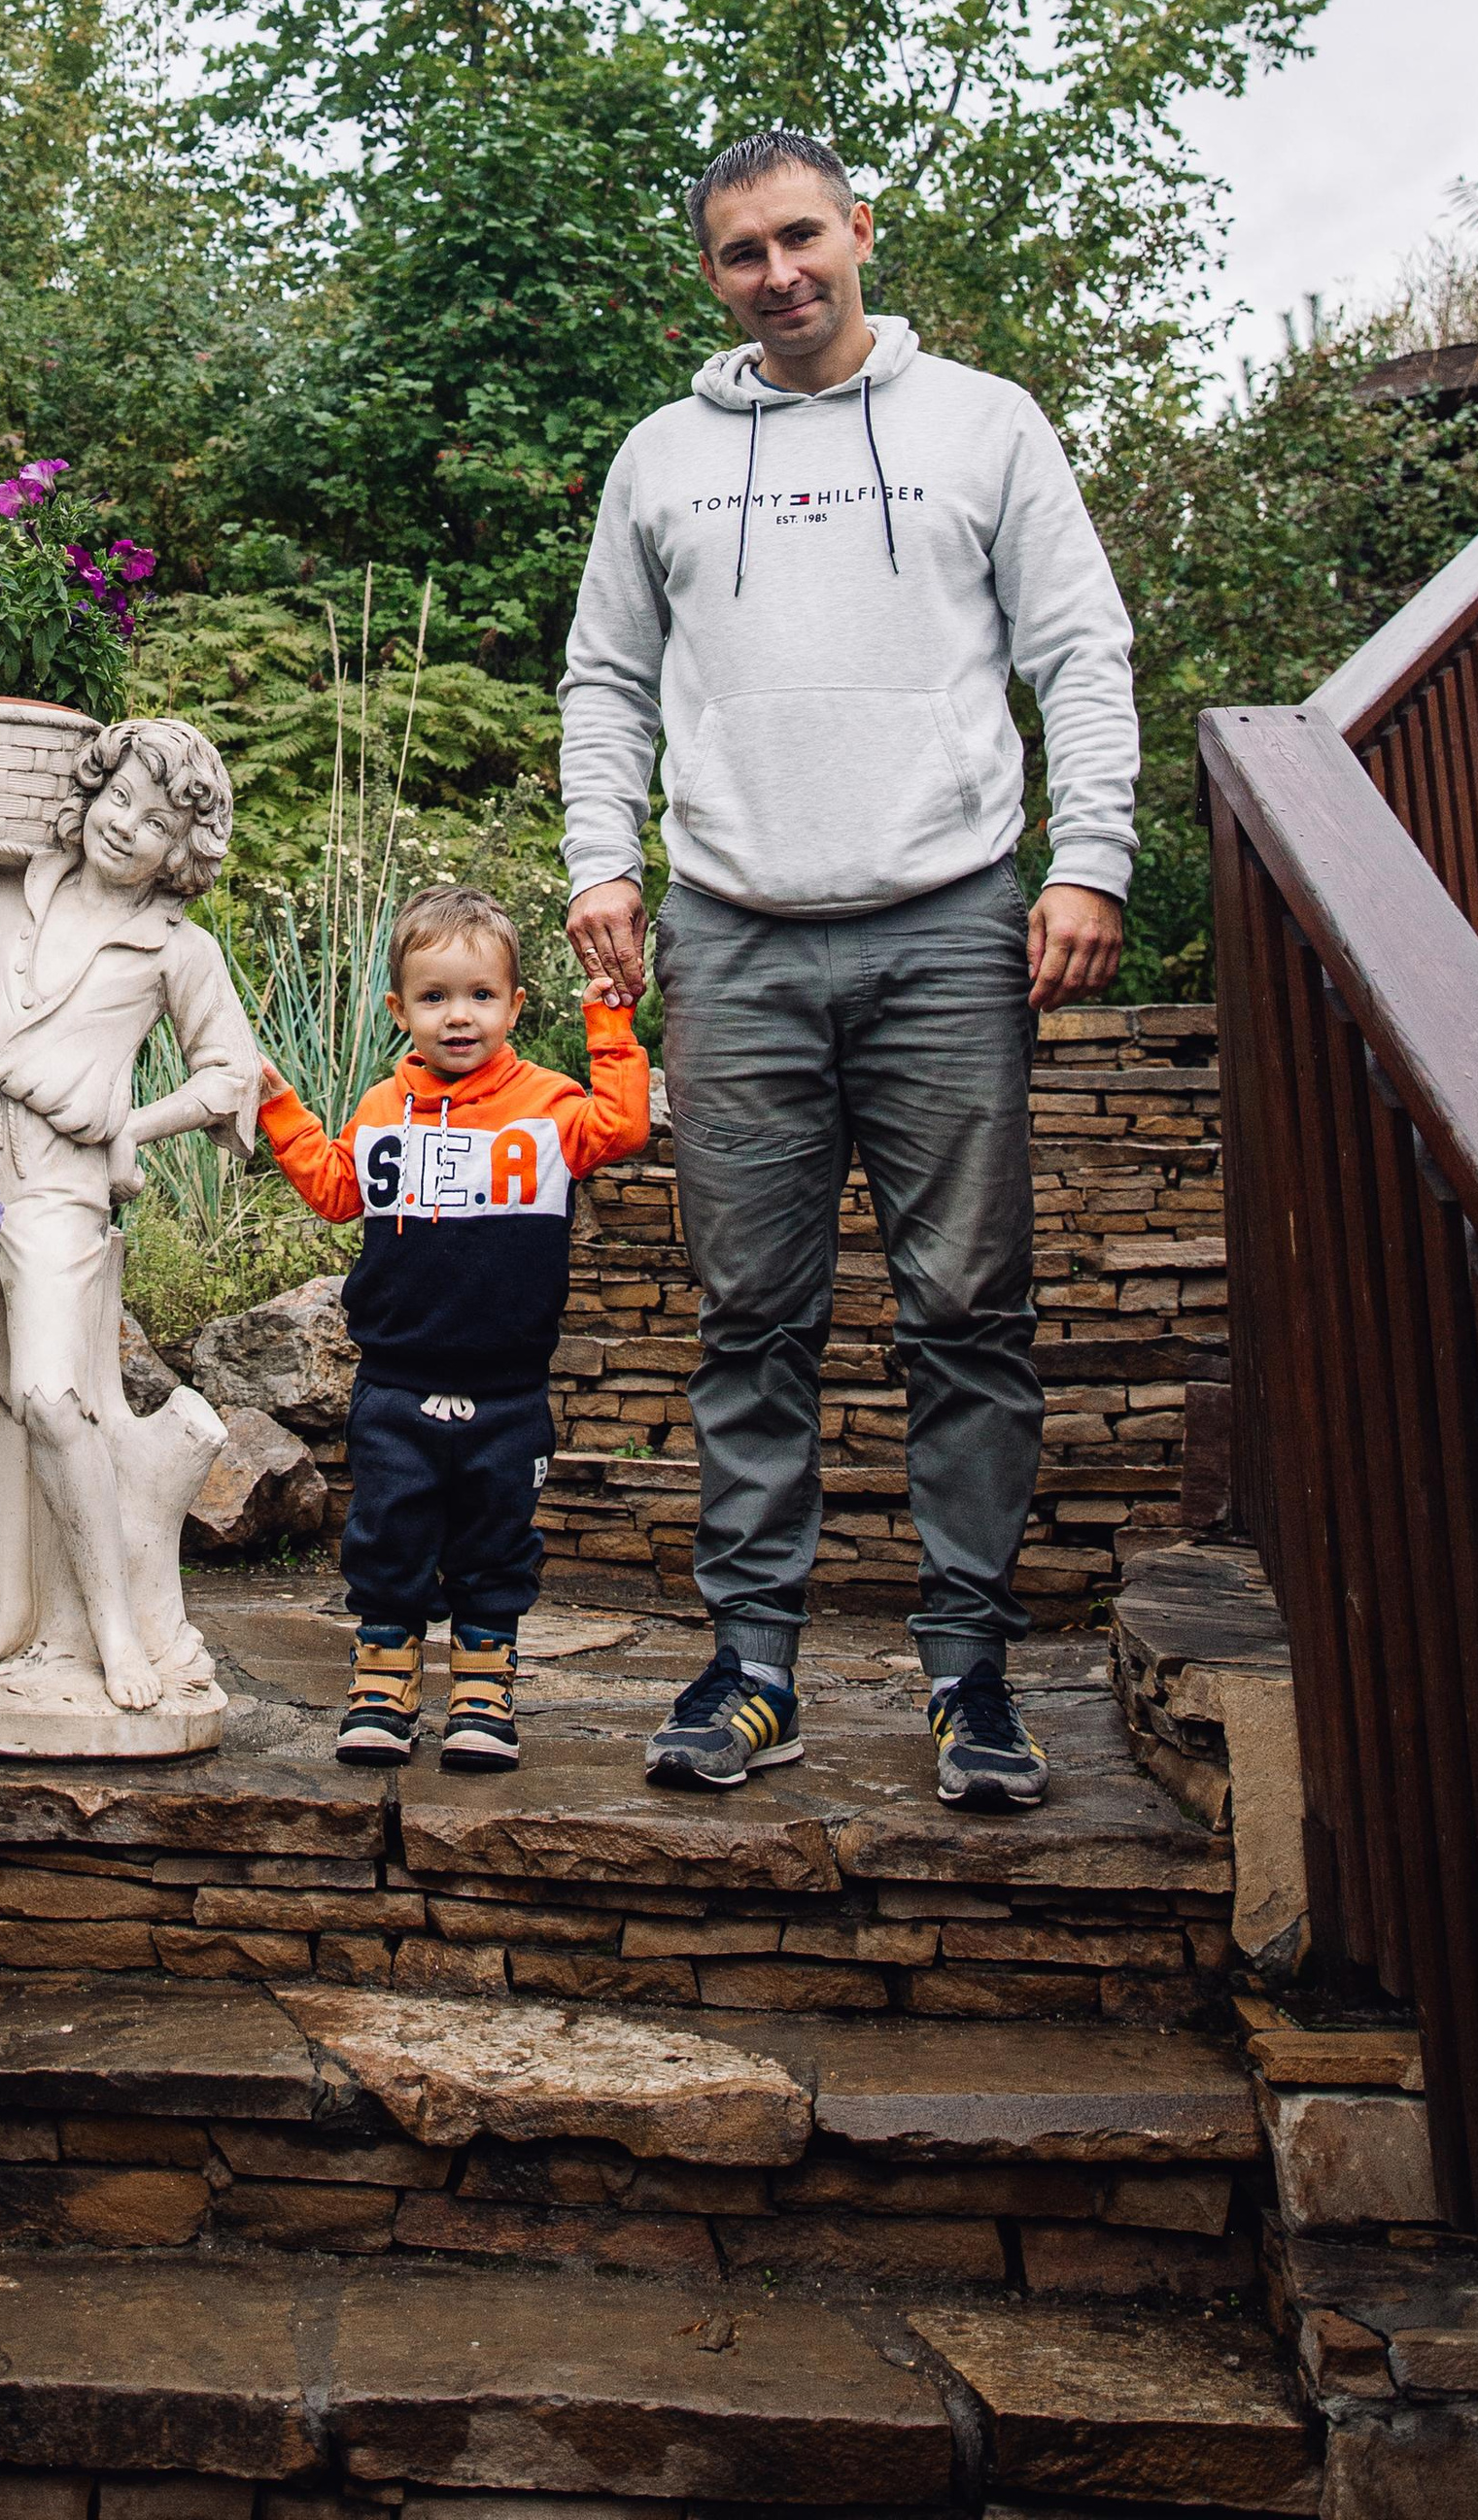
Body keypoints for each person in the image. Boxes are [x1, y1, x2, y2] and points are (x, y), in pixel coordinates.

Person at [561, 128, 1138, 1810]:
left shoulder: (987, 424)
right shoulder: (660, 455)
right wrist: (606, 857)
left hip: (951, 923)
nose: (779, 273)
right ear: (712, 274)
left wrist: (1089, 856)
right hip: (733, 934)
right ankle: (752, 1667)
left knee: (968, 1313)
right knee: (752, 1316)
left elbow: (1077, 647)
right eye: (743, 253)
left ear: (861, 231)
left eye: (802, 236)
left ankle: (970, 1670)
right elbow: (605, 677)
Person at [0, 707, 260, 1719]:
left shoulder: (176, 948)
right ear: (90, 793)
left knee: (53, 1394)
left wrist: (127, 1125)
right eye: (117, 797)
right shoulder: (12, 886)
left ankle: (112, 1626)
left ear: (182, 849)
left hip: (59, 1168)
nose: (125, 825)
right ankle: (13, 1608)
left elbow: (230, 1076)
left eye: (156, 820)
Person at [257, 882, 650, 1770]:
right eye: (434, 998)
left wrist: (612, 1023)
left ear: (515, 1004)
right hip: (394, 1379)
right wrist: (280, 1109)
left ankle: (482, 1690)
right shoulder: (380, 1109)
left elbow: (623, 1124)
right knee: (387, 1533)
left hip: (507, 1386)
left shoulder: (548, 1107)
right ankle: (383, 1682)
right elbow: (333, 1190)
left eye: (479, 996)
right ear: (399, 1010)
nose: (458, 1017)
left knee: (495, 1539)